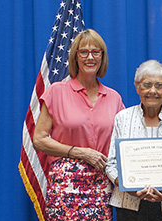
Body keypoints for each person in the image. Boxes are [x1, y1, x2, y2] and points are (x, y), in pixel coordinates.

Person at [33, 29, 125, 220]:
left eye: (95, 52)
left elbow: (124, 142)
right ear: (75, 57)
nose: (89, 57)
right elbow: (39, 140)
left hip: (101, 184)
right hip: (65, 185)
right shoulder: (56, 92)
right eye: (83, 52)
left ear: (102, 57)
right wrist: (80, 152)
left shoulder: (114, 98)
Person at [105, 60, 162, 221]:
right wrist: (129, 188)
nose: (152, 91)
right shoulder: (123, 118)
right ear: (137, 87)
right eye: (147, 84)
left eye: (159, 86)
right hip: (129, 206)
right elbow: (111, 164)